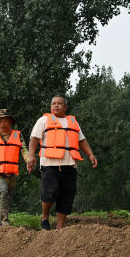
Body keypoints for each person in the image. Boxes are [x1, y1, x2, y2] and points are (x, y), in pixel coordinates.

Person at [27, 95, 98, 230]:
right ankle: (45, 217)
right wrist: (31, 156)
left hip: (69, 164)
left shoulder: (73, 122)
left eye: (59, 103)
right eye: (53, 103)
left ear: (65, 107)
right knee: (50, 192)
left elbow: (82, 140)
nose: (56, 106)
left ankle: (60, 227)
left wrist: (90, 154)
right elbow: (34, 139)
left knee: (67, 196)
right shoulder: (44, 120)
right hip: (49, 164)